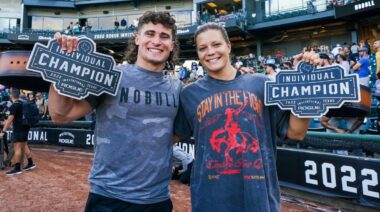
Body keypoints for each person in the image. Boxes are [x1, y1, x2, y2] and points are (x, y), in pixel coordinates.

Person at [50, 11, 181, 211]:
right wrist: (59, 69)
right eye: (150, 34)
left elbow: (176, 134)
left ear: (172, 45)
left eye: (164, 36)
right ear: (137, 38)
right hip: (108, 196)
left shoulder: (178, 88)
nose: (157, 41)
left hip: (156, 200)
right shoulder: (111, 77)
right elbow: (61, 115)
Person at [174, 23, 310, 212]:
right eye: (203, 48)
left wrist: (309, 93)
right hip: (210, 200)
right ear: (197, 53)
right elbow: (169, 138)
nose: (210, 52)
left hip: (259, 198)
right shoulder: (189, 94)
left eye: (216, 44)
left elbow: (296, 133)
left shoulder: (262, 84)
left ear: (228, 46)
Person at [0, 89, 36, 176]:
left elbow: (10, 120)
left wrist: (3, 131)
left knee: (17, 148)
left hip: (18, 129)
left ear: (11, 96)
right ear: (19, 96)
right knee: (24, 145)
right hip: (25, 127)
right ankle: (30, 163)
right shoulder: (23, 104)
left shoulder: (14, 106)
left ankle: (17, 168)